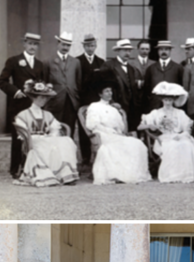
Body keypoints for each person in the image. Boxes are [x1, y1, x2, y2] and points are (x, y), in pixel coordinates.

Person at [85, 72, 151, 185]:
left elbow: (121, 127)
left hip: (116, 135)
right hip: (102, 134)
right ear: (100, 94)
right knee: (116, 146)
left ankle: (130, 173)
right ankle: (115, 174)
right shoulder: (94, 106)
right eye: (106, 91)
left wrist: (118, 115)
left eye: (110, 91)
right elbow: (92, 124)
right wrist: (109, 130)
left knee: (137, 144)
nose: (110, 93)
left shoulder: (114, 108)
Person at [138, 81, 194, 183]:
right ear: (162, 100)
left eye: (170, 100)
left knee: (187, 145)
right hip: (163, 138)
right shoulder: (156, 113)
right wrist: (150, 125)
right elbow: (140, 127)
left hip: (178, 136)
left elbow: (187, 128)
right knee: (172, 146)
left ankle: (184, 174)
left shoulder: (180, 113)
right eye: (166, 100)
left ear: (174, 100)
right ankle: (173, 174)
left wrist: (182, 135)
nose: (168, 102)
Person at [13, 79, 79, 186]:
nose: (44, 100)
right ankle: (45, 175)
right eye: (41, 97)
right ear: (34, 98)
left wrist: (51, 136)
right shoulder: (23, 114)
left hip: (46, 139)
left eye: (46, 98)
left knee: (66, 141)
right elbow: (22, 132)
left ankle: (64, 174)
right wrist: (35, 137)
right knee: (45, 144)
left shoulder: (47, 114)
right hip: (32, 141)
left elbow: (55, 128)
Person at [0, 32, 45, 177]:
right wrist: (16, 91)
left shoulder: (40, 64)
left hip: (33, 106)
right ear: (24, 44)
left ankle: (29, 167)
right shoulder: (13, 61)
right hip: (18, 105)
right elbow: (1, 81)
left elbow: (41, 84)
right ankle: (15, 170)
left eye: (35, 44)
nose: (32, 47)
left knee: (33, 136)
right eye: (30, 43)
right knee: (18, 137)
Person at [44, 31, 82, 137]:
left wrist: (76, 99)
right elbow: (44, 81)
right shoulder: (48, 61)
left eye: (68, 45)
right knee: (53, 131)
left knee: (69, 131)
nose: (65, 47)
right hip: (55, 103)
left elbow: (78, 82)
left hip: (71, 102)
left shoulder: (76, 62)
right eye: (63, 44)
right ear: (58, 44)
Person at [75, 34, 105, 164]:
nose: (90, 48)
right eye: (87, 46)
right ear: (83, 46)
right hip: (83, 99)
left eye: (92, 45)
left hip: (97, 100)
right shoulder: (77, 61)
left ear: (96, 46)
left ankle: (98, 157)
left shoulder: (101, 62)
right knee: (84, 129)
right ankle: (86, 158)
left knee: (97, 127)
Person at [100, 39, 140, 131]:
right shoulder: (108, 65)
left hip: (131, 109)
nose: (128, 53)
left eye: (129, 50)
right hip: (115, 106)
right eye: (125, 50)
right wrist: (112, 102)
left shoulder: (131, 68)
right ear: (118, 51)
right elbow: (103, 87)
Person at [143, 40, 184, 113]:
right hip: (154, 107)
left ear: (170, 51)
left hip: (172, 107)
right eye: (161, 49)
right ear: (158, 51)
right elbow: (146, 89)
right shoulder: (151, 68)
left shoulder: (178, 68)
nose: (163, 52)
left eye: (166, 49)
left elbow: (182, 87)